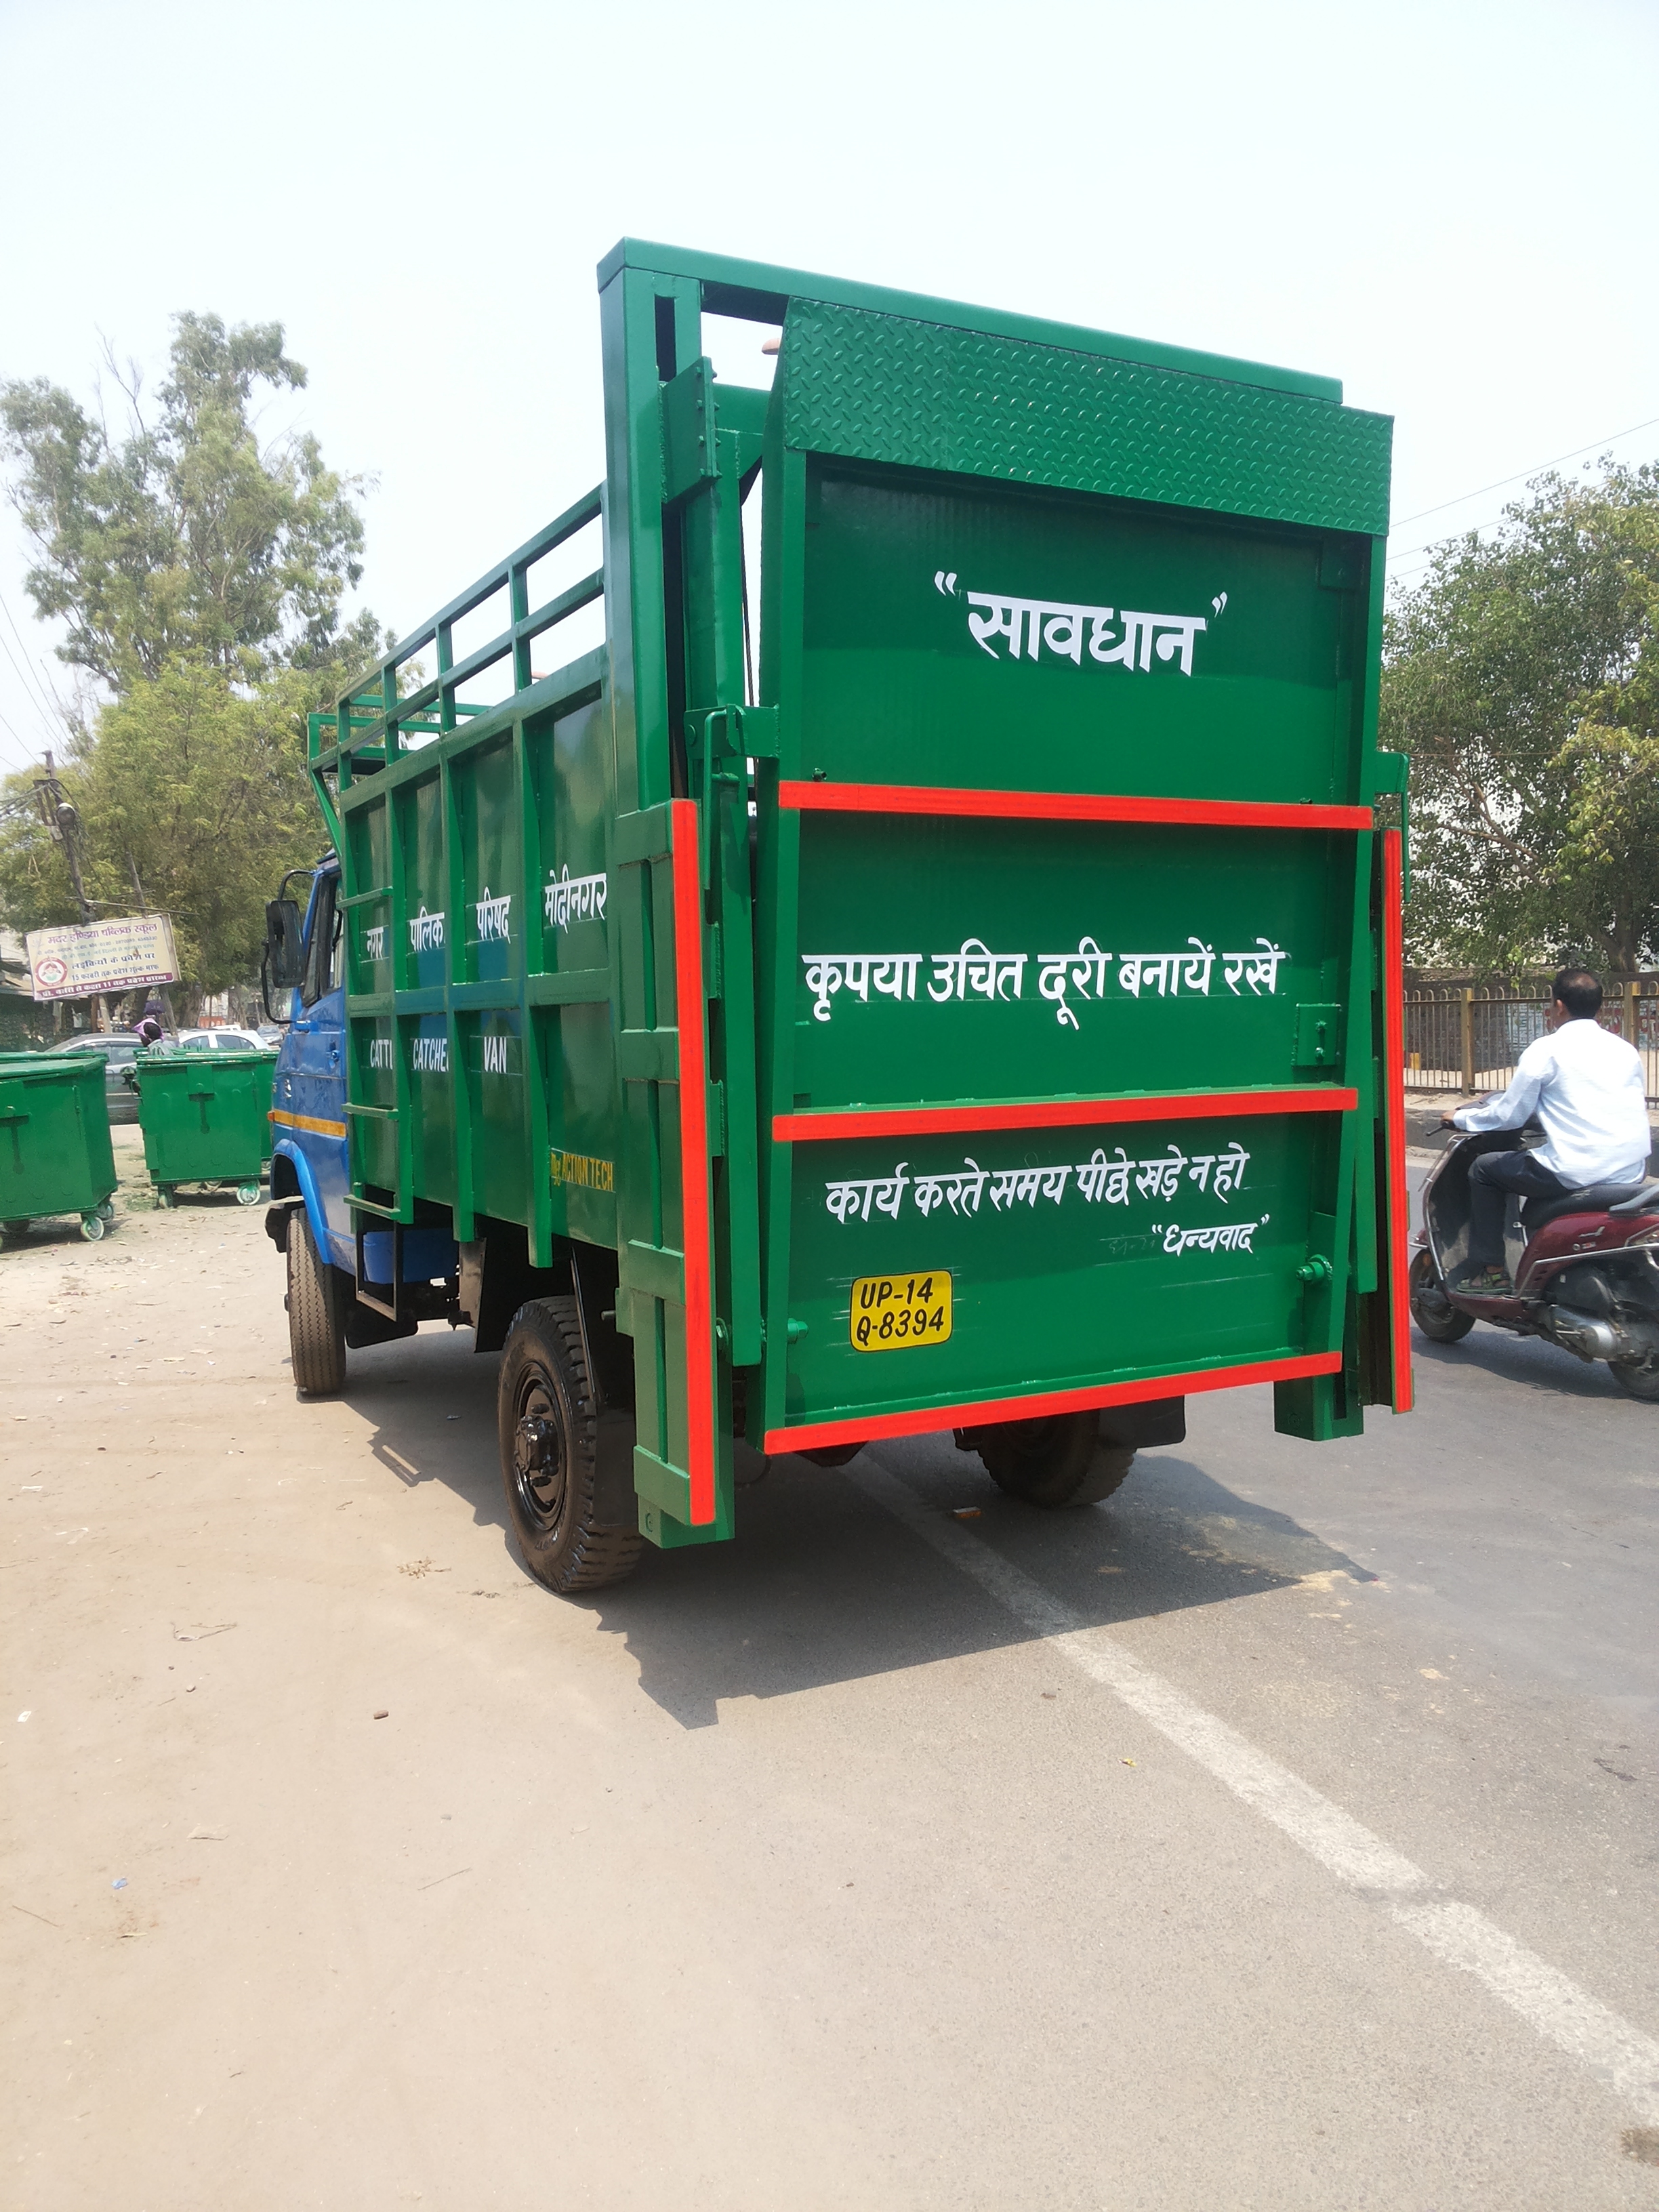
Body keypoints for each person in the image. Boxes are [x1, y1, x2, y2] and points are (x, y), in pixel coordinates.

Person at [1442, 968, 1652, 1292]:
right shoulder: (1625, 1050)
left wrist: (1459, 1118)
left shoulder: (1546, 1050)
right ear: (1598, 1006)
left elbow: (1510, 1115)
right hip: (1629, 1172)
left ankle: (1493, 1270)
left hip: (1575, 1170)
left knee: (1484, 1169)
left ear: (1558, 1006)